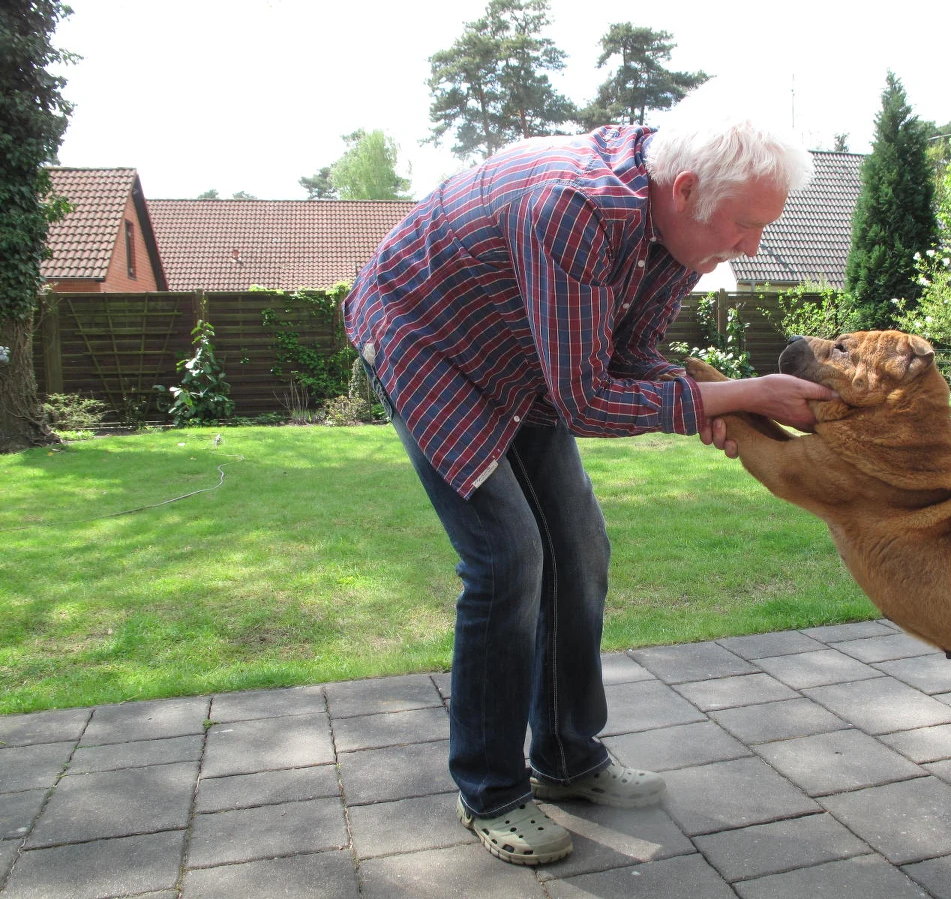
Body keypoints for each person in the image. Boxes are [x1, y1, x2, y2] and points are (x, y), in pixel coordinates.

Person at [342, 95, 835, 866]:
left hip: (523, 355)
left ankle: (568, 758)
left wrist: (724, 403)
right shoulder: (573, 208)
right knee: (509, 558)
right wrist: (736, 395)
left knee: (579, 547)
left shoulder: (678, 238)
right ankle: (491, 790)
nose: (751, 245)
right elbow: (585, 401)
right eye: (744, 224)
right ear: (685, 191)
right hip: (426, 339)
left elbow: (628, 358)